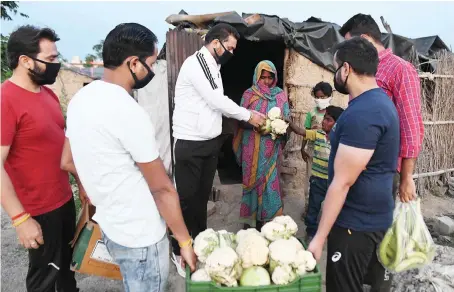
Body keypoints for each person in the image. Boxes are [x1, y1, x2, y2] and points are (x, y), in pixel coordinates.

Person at [61, 23, 196, 291]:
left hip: (111, 227)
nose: (154, 70)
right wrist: (185, 242)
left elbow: (66, 160)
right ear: (133, 63)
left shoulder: (80, 99)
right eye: (152, 63)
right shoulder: (128, 111)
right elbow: (162, 189)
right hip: (141, 236)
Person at [171, 23, 265, 276]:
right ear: (215, 43)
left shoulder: (215, 66)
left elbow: (213, 103)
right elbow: (216, 100)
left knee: (201, 198)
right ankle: (177, 247)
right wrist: (248, 115)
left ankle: (200, 243)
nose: (231, 53)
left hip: (208, 143)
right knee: (187, 199)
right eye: (230, 47)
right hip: (190, 142)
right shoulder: (197, 64)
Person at [307, 37, 400, 292]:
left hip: (355, 224)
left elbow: (343, 182)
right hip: (374, 217)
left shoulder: (364, 113)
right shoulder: (379, 103)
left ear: (346, 69)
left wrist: (319, 237)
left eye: (336, 67)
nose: (336, 74)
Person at [1, 25, 79, 292]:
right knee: (44, 279)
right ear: (25, 60)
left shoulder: (47, 94)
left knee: (68, 271)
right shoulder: (5, 100)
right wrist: (20, 219)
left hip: (64, 200)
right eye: (51, 59)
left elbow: (61, 146)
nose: (57, 64)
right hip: (38, 210)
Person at [339, 14, 424, 205]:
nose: (346, 50)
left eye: (349, 43)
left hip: (382, 167)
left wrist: (407, 177)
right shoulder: (360, 69)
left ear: (365, 39)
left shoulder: (400, 69)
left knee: (373, 225)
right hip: (357, 160)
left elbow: (410, 125)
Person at [232, 60, 290, 230]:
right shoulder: (249, 94)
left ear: (274, 78)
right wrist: (258, 125)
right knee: (251, 183)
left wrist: (276, 127)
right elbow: (241, 120)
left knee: (271, 183)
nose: (266, 81)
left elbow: (286, 118)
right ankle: (251, 224)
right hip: (252, 147)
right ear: (256, 77)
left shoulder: (280, 95)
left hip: (272, 148)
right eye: (262, 77)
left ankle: (270, 224)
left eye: (269, 78)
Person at [287, 106, 344, 240]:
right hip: (317, 179)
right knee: (313, 208)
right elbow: (301, 131)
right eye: (324, 118)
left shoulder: (342, 139)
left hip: (333, 181)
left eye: (328, 120)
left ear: (338, 124)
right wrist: (289, 122)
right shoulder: (317, 134)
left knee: (333, 209)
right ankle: (311, 232)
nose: (323, 122)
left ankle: (331, 232)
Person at [301, 82, 333, 219]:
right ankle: (309, 209)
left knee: (327, 184)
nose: (320, 100)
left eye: (323, 97)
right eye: (318, 97)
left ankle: (325, 212)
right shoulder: (311, 113)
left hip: (328, 155)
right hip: (312, 153)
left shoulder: (333, 113)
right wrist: (302, 148)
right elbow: (305, 132)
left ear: (330, 96)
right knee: (310, 182)